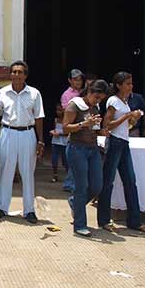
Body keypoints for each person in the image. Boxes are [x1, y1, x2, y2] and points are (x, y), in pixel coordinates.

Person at [0, 61, 45, 224]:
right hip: (7, 132)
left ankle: (29, 210)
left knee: (27, 172)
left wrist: (40, 140)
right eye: (14, 72)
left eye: (20, 72)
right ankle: (2, 207)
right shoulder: (2, 93)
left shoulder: (34, 93)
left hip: (27, 133)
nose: (16, 75)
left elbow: (38, 117)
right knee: (5, 170)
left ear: (25, 75)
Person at [98, 72, 145, 233]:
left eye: (131, 83)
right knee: (108, 182)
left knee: (130, 181)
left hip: (123, 142)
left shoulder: (125, 102)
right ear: (119, 85)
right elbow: (107, 125)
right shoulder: (113, 101)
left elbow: (124, 126)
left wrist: (132, 119)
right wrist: (128, 115)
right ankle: (104, 220)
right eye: (127, 83)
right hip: (114, 142)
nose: (131, 86)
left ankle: (134, 220)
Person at [62, 80, 109, 237]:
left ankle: (75, 203)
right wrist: (83, 123)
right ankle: (80, 225)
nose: (97, 101)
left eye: (100, 99)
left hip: (92, 148)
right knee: (81, 186)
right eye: (96, 97)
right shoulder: (74, 105)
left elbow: (94, 130)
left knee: (97, 186)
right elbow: (65, 128)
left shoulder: (95, 107)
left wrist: (100, 131)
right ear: (89, 92)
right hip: (77, 149)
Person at [49, 103, 68, 183]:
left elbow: (68, 132)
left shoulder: (67, 120)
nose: (58, 112)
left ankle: (69, 176)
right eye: (57, 110)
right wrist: (52, 132)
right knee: (54, 159)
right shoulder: (56, 120)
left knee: (65, 160)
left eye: (60, 110)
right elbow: (55, 129)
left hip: (64, 142)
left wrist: (59, 134)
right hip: (55, 142)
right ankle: (55, 174)